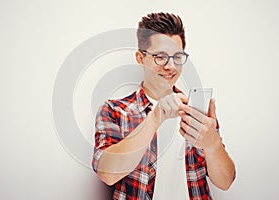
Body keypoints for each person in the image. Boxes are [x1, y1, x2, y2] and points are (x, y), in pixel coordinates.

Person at [92, 12, 236, 200]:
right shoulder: (114, 111)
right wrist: (155, 117)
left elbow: (225, 182)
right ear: (140, 58)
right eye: (160, 57)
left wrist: (213, 143)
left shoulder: (197, 113)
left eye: (177, 57)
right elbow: (107, 173)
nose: (170, 66)